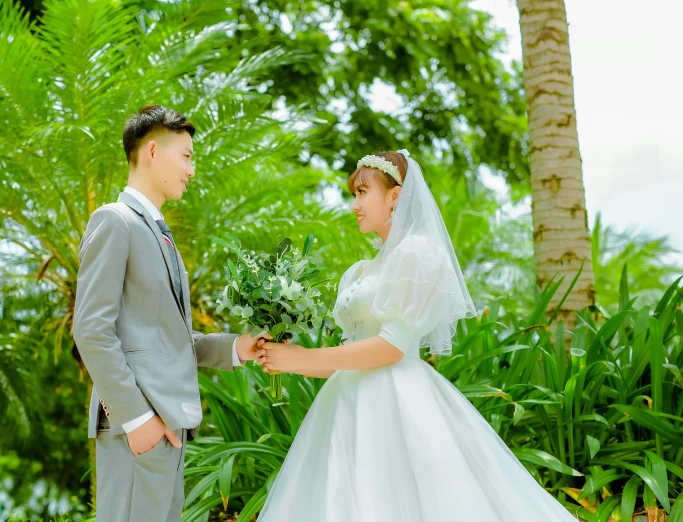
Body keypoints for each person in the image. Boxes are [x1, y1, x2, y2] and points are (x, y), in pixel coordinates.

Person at [256, 149, 577, 521]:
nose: (354, 205)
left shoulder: (418, 254)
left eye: (363, 193)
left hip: (396, 401)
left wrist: (300, 360)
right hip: (345, 403)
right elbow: (352, 352)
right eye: (353, 194)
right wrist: (285, 357)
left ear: (395, 196)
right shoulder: (358, 271)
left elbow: (391, 347)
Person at [72, 104, 267, 522]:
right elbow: (90, 331)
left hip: (167, 428)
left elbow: (167, 338)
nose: (191, 170)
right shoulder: (115, 221)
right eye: (187, 156)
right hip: (138, 426)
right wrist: (137, 420)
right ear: (154, 152)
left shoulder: (159, 235)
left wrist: (238, 348)